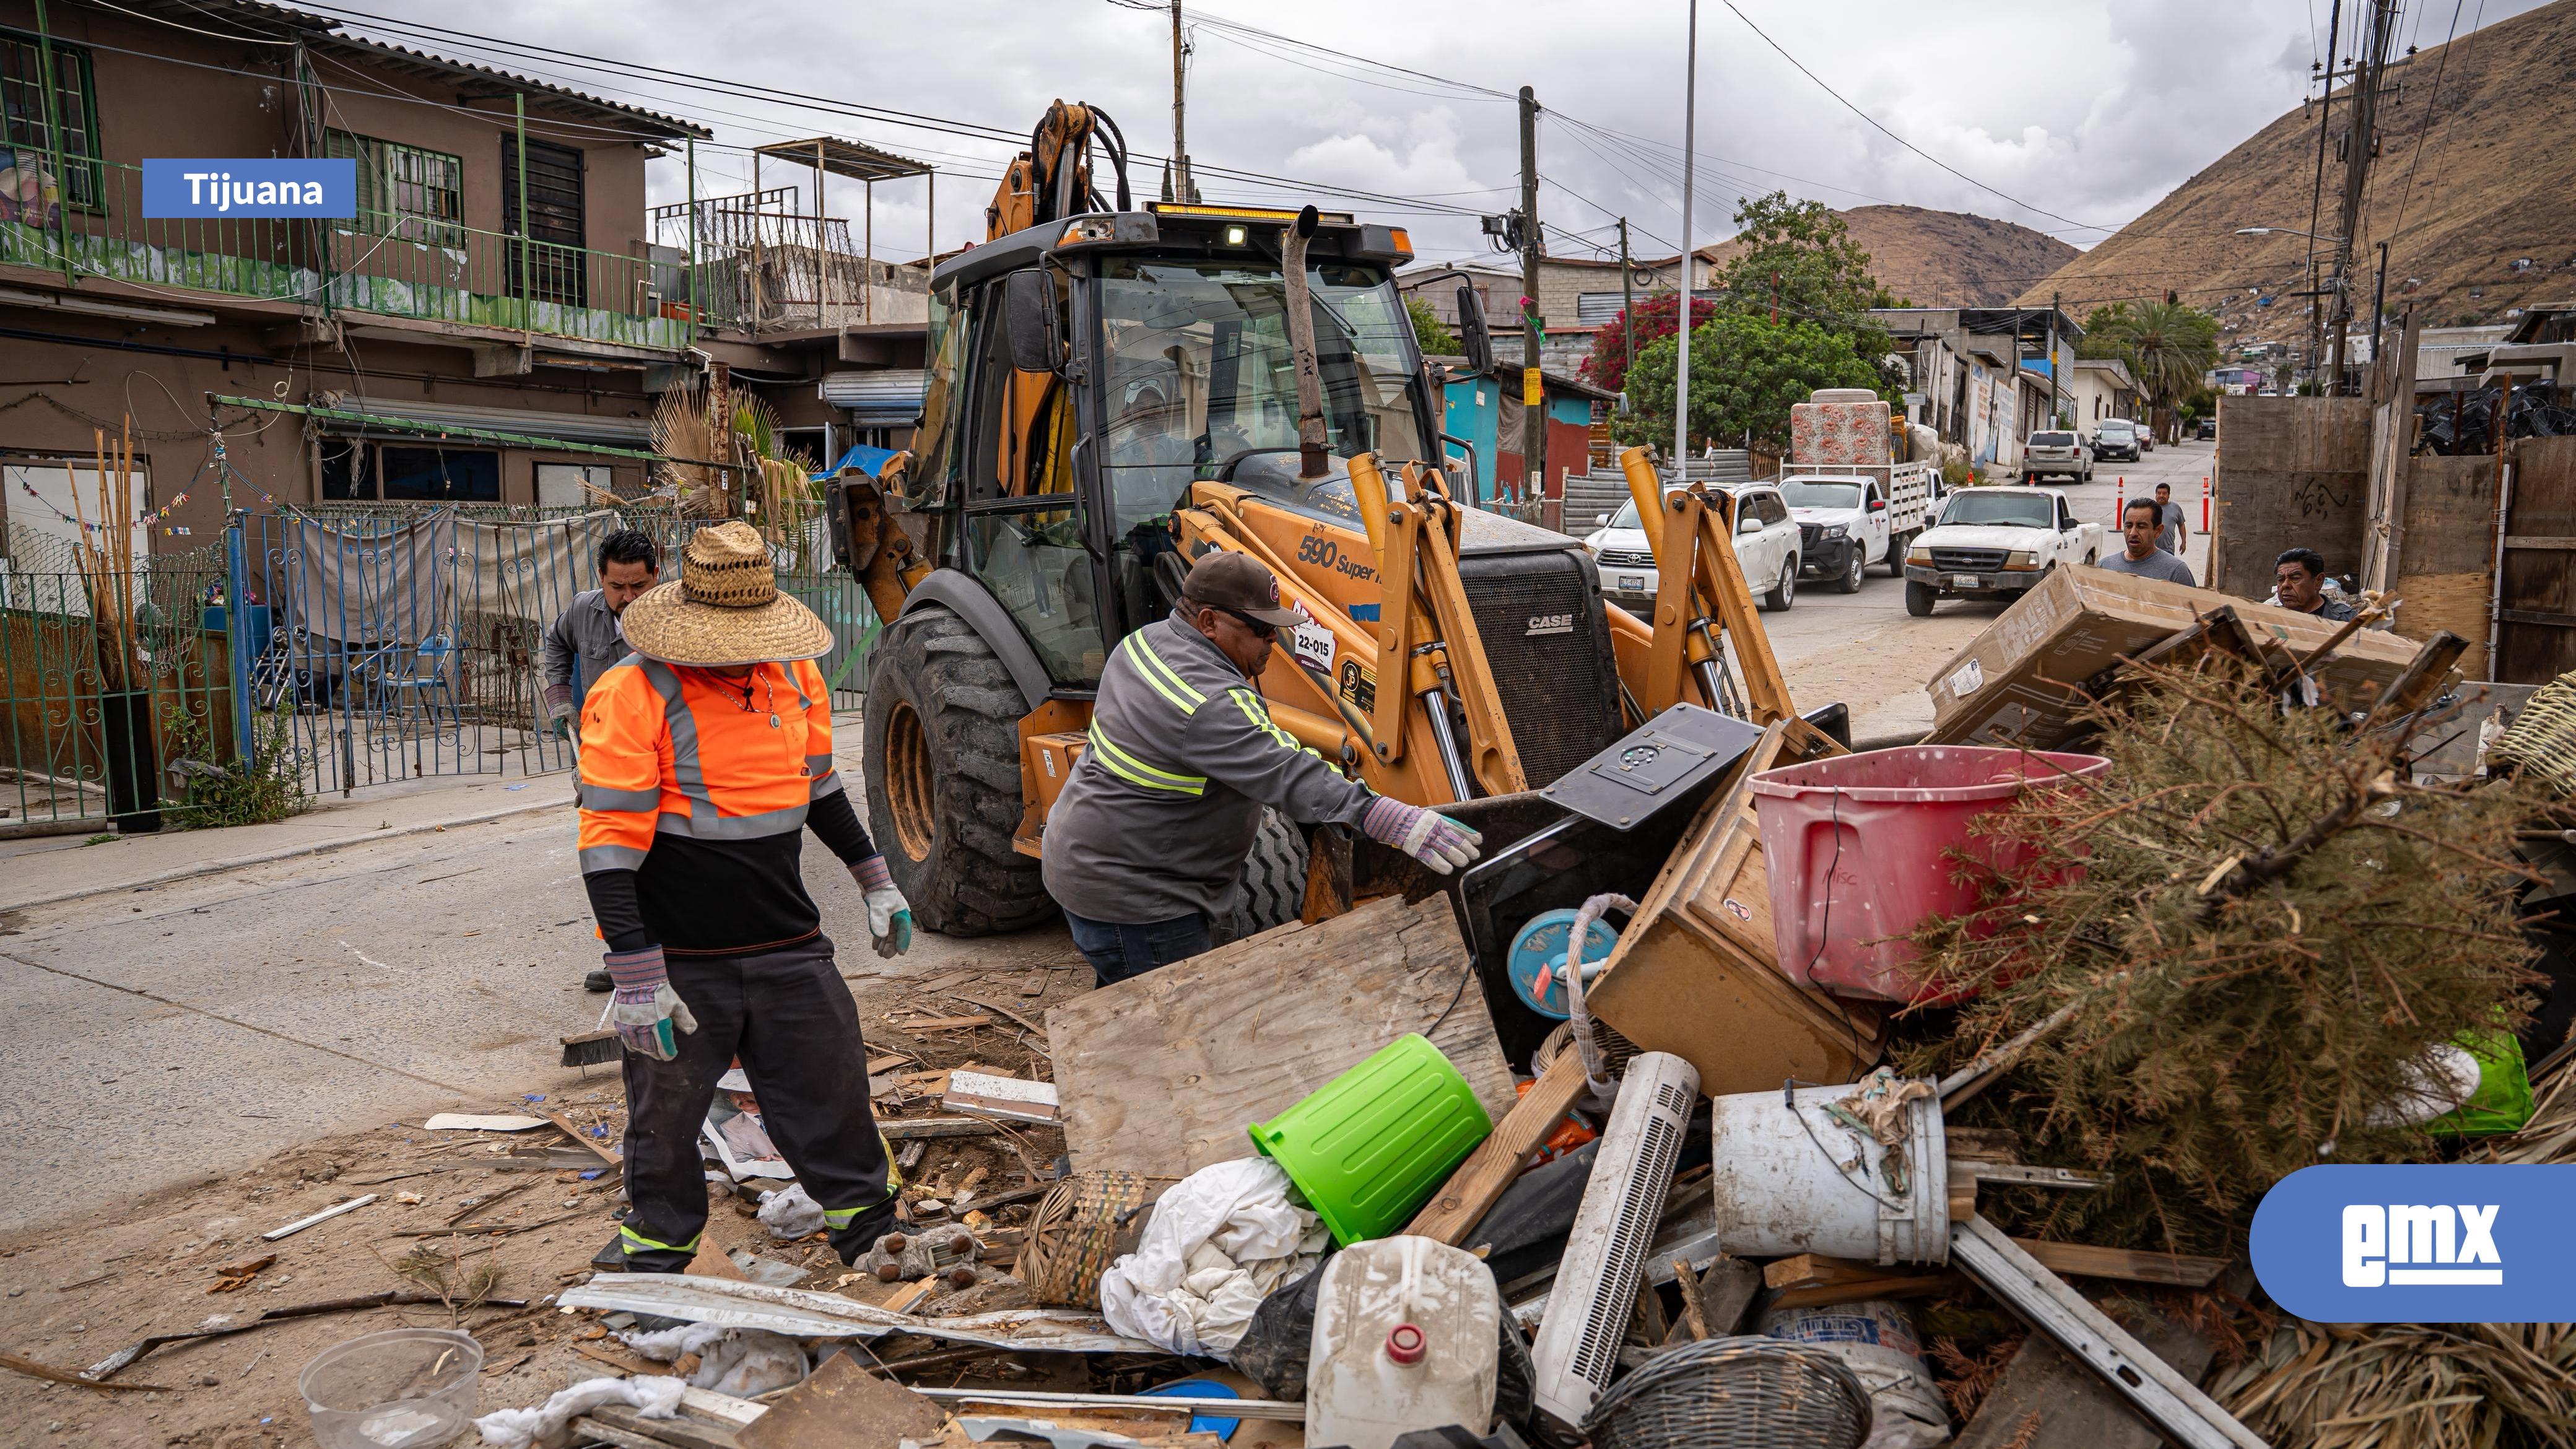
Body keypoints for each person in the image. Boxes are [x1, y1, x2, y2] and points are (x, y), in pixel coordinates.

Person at [576, 521, 912, 1272]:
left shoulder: (794, 676)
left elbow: (818, 787)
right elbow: (607, 844)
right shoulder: (632, 694)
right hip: (680, 957)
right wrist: (635, 972)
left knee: (830, 1089)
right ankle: (657, 1252)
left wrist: (874, 877)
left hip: (786, 942)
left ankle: (868, 1229)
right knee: (664, 1119)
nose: (743, 649)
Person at [1040, 552, 1484, 985]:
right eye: (1261, 631)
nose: (1273, 643)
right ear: (1209, 622)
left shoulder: (1144, 642)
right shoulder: (1208, 703)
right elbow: (1287, 771)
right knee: (1171, 1037)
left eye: (1275, 630)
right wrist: (1388, 817)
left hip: (1088, 864)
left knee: (1122, 1011)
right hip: (1140, 903)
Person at [543, 529, 660, 739]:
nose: (629, 596)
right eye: (617, 586)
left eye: (639, 585)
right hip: (595, 741)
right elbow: (557, 640)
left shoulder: (677, 622)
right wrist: (560, 698)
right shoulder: (583, 609)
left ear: (655, 575)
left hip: (653, 746)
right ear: (601, 577)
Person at [2093, 497, 2196, 585]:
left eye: (2141, 526)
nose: (2133, 533)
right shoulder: (2105, 566)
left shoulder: (2176, 572)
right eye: (2129, 526)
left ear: (2158, 531)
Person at [2273, 547, 2357, 620]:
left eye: (2295, 578)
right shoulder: (2270, 621)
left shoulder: (2348, 621)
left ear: (2319, 581)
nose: (2285, 585)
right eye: (2281, 579)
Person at [2154, 482, 2189, 557]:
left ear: (2169, 495)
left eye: (2164, 493)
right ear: (2156, 495)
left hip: (2168, 550)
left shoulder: (2176, 508)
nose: (2161, 495)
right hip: (2152, 549)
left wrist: (2184, 542)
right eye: (2159, 493)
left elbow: (2181, 525)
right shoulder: (2150, 508)